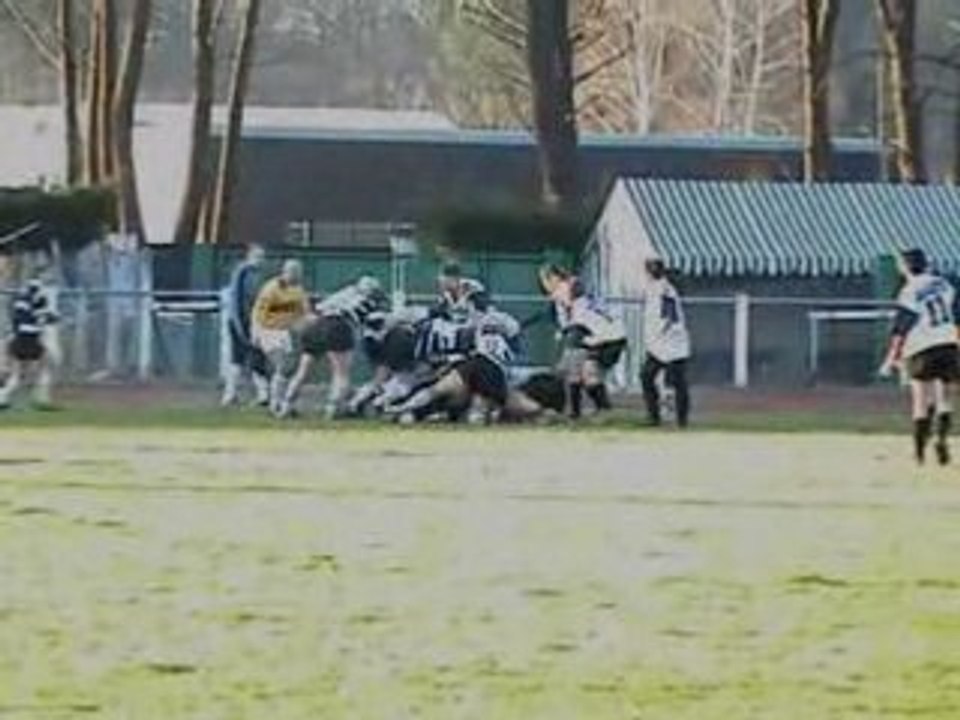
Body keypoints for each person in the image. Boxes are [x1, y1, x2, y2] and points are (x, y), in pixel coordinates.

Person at [879, 248, 960, 465]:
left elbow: (901, 329)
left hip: (922, 347)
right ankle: (942, 441)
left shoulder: (909, 291)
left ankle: (919, 454)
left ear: (905, 267)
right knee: (945, 400)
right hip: (948, 342)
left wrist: (890, 359)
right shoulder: (945, 284)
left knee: (921, 401)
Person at [278, 276, 390, 419]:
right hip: (340, 326)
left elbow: (318, 309)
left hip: (319, 324)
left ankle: (285, 405)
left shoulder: (346, 291)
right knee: (341, 373)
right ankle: (333, 409)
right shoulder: (370, 302)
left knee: (303, 371)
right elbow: (376, 323)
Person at [539, 264, 627, 419]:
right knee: (584, 372)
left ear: (553, 278)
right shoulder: (573, 289)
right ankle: (596, 410)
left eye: (545, 280)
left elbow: (572, 309)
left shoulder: (566, 288)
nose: (545, 285)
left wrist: (564, 330)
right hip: (606, 335)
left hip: (605, 337)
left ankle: (589, 411)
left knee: (576, 370)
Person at [251, 259, 311, 414]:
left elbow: (304, 313)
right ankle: (276, 403)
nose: (298, 275)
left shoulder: (298, 290)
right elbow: (258, 311)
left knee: (288, 367)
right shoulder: (272, 288)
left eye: (299, 272)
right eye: (294, 272)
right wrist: (255, 332)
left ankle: (281, 402)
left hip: (285, 332)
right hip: (268, 330)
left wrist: (304, 323)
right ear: (285, 272)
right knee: (282, 364)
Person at [639, 256, 692, 428]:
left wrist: (660, 332)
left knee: (677, 382)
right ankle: (654, 417)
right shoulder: (658, 287)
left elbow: (668, 315)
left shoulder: (663, 288)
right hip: (660, 343)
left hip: (670, 341)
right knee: (647, 376)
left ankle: (680, 420)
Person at [221, 243, 270, 407]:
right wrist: (241, 325)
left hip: (255, 322)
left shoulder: (259, 274)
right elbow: (238, 301)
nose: (261, 260)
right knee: (239, 359)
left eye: (262, 257)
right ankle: (231, 394)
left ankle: (263, 394)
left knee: (256, 357)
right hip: (242, 322)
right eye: (257, 256)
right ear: (249, 256)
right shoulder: (243, 273)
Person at [0, 279, 58, 409]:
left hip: (18, 340)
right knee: (45, 368)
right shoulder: (38, 302)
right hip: (31, 340)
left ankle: (3, 397)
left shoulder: (20, 302)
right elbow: (48, 318)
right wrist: (50, 317)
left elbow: (18, 321)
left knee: (18, 373)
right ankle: (42, 399)